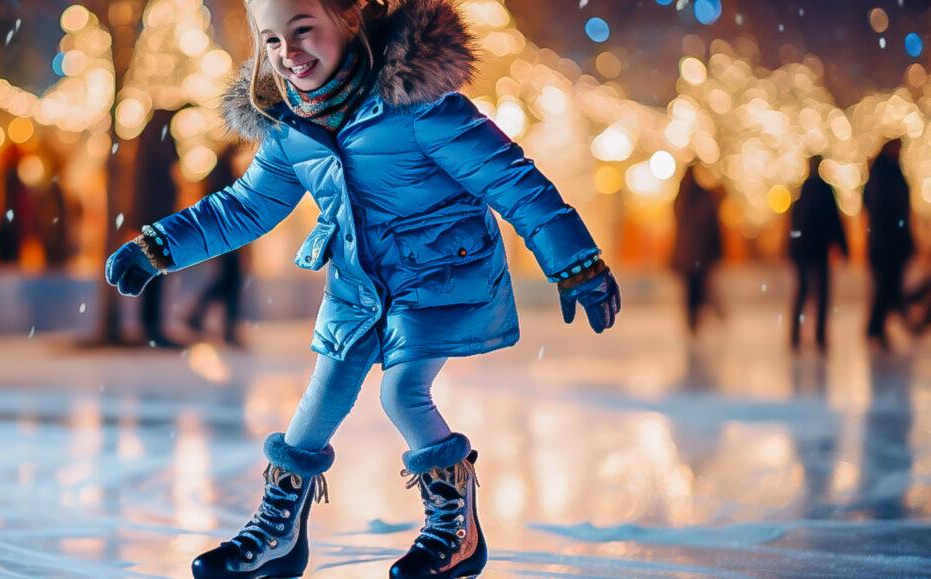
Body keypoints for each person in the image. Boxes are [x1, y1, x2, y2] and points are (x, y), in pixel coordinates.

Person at [105, 0, 620, 576]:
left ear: (349, 20)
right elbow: (244, 208)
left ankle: (456, 527)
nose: (289, 54)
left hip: (441, 274)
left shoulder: (422, 108)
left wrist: (576, 261)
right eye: (272, 41)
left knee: (403, 392)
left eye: (303, 31)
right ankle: (280, 529)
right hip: (356, 284)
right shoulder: (290, 129)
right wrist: (159, 247)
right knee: (319, 399)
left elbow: (512, 180)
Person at [186, 144, 249, 346]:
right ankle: (224, 326)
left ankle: (199, 316)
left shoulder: (218, 176)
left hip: (224, 238)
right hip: (229, 238)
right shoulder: (224, 177)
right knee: (230, 283)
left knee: (227, 282)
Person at [134, 109, 185, 347]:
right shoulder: (159, 142)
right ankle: (151, 328)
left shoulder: (147, 146)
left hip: (154, 221)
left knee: (154, 273)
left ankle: (151, 327)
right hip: (158, 221)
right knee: (156, 273)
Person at [788, 156, 848, 353]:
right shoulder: (823, 191)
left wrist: (793, 248)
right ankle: (818, 337)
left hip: (805, 251)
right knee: (820, 294)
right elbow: (833, 221)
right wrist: (842, 246)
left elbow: (795, 225)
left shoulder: (802, 191)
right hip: (816, 251)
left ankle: (796, 336)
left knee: (804, 293)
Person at [862, 138, 914, 351]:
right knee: (885, 288)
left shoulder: (884, 171)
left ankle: (878, 327)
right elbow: (890, 208)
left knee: (887, 288)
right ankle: (876, 328)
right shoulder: (885, 173)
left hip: (887, 242)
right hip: (887, 244)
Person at [670, 165, 722, 334]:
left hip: (689, 257)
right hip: (699, 256)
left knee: (694, 291)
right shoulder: (701, 198)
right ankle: (698, 320)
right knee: (699, 289)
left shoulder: (681, 200)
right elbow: (712, 228)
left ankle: (694, 322)